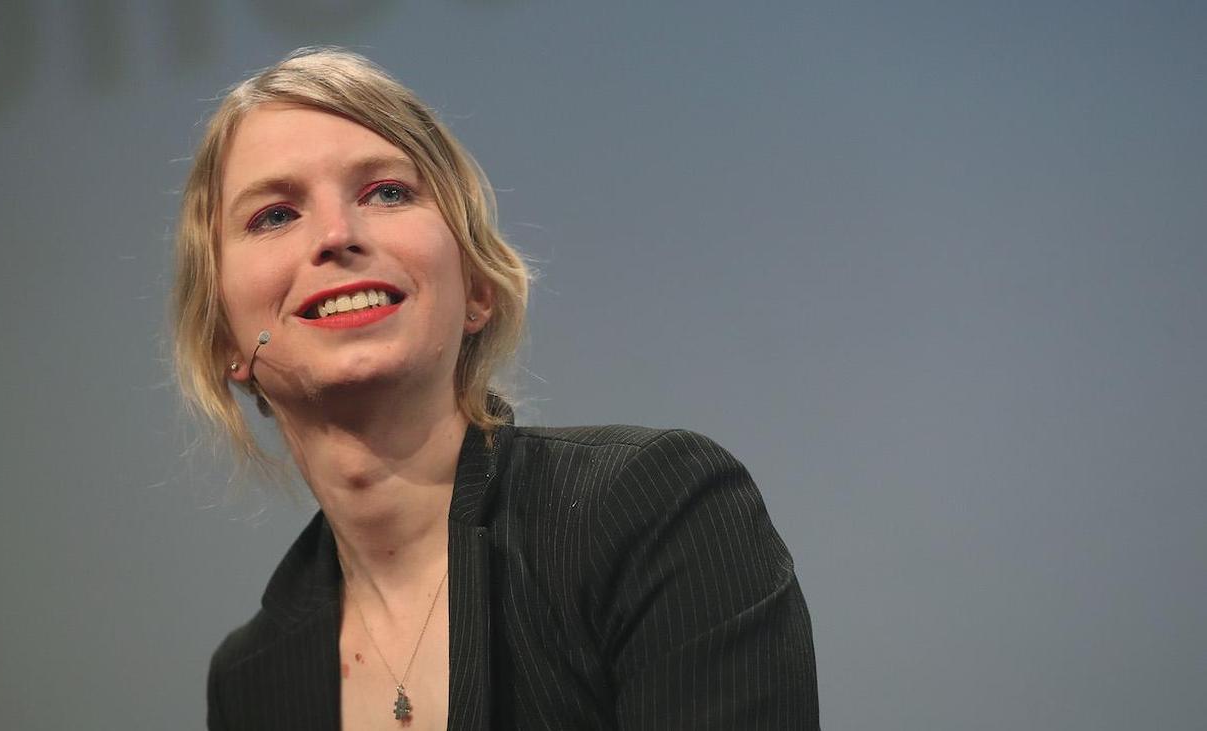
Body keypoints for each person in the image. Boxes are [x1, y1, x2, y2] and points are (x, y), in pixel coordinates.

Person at [172, 46, 818, 730]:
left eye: (386, 192)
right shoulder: (252, 680)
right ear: (223, 340)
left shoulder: (649, 512)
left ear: (476, 287)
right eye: (274, 215)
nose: (336, 234)